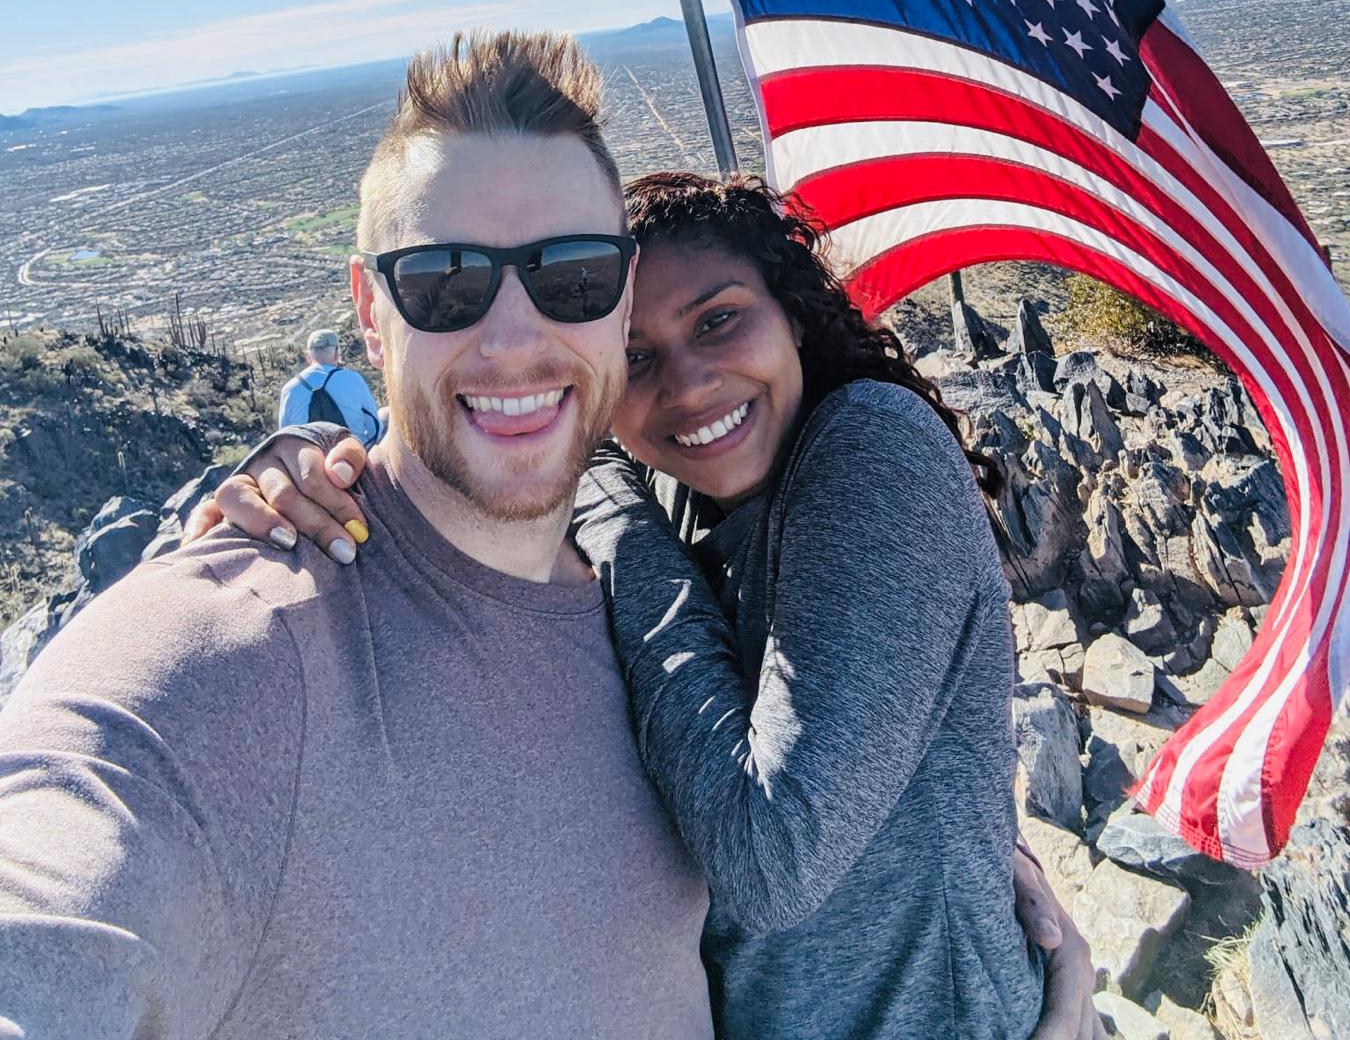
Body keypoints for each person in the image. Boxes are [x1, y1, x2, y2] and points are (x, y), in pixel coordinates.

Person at [193, 162, 1107, 1037]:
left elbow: (771, 857)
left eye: (718, 321)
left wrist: (595, 485)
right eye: (632, 358)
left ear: (792, 313)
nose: (686, 383)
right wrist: (311, 463)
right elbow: (457, 487)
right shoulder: (675, 489)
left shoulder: (870, 448)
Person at [0, 33, 715, 1039]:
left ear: (624, 297)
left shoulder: (672, 596)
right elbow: (60, 867)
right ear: (371, 313)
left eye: (574, 274)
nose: (514, 341)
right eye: (445, 283)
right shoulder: (236, 661)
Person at [276, 325, 380, 442]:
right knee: (384, 415)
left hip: (310, 458)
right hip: (354, 455)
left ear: (308, 356)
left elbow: (283, 436)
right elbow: (374, 424)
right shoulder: (353, 379)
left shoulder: (289, 389)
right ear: (337, 353)